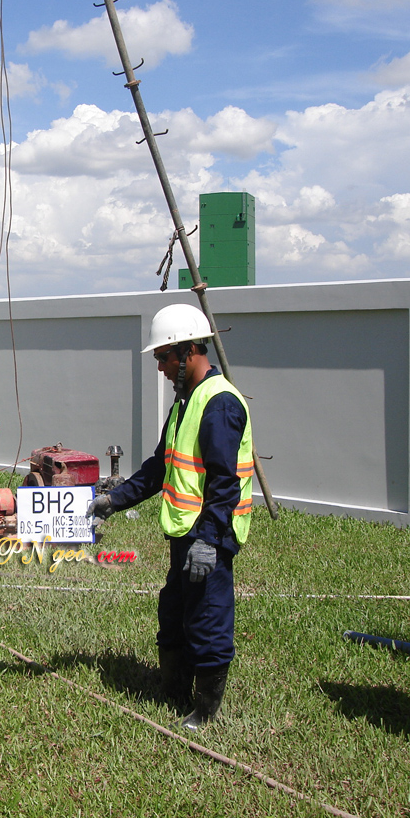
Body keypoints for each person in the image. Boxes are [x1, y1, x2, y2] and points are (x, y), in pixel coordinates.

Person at [87, 302, 253, 730]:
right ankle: (174, 689)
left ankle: (206, 708)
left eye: (164, 357)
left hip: (208, 536)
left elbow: (224, 482)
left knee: (207, 615)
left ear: (191, 351)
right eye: (159, 358)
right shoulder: (185, 402)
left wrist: (209, 539)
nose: (159, 366)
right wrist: (115, 501)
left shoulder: (218, 405)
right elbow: (160, 466)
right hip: (185, 532)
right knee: (174, 610)